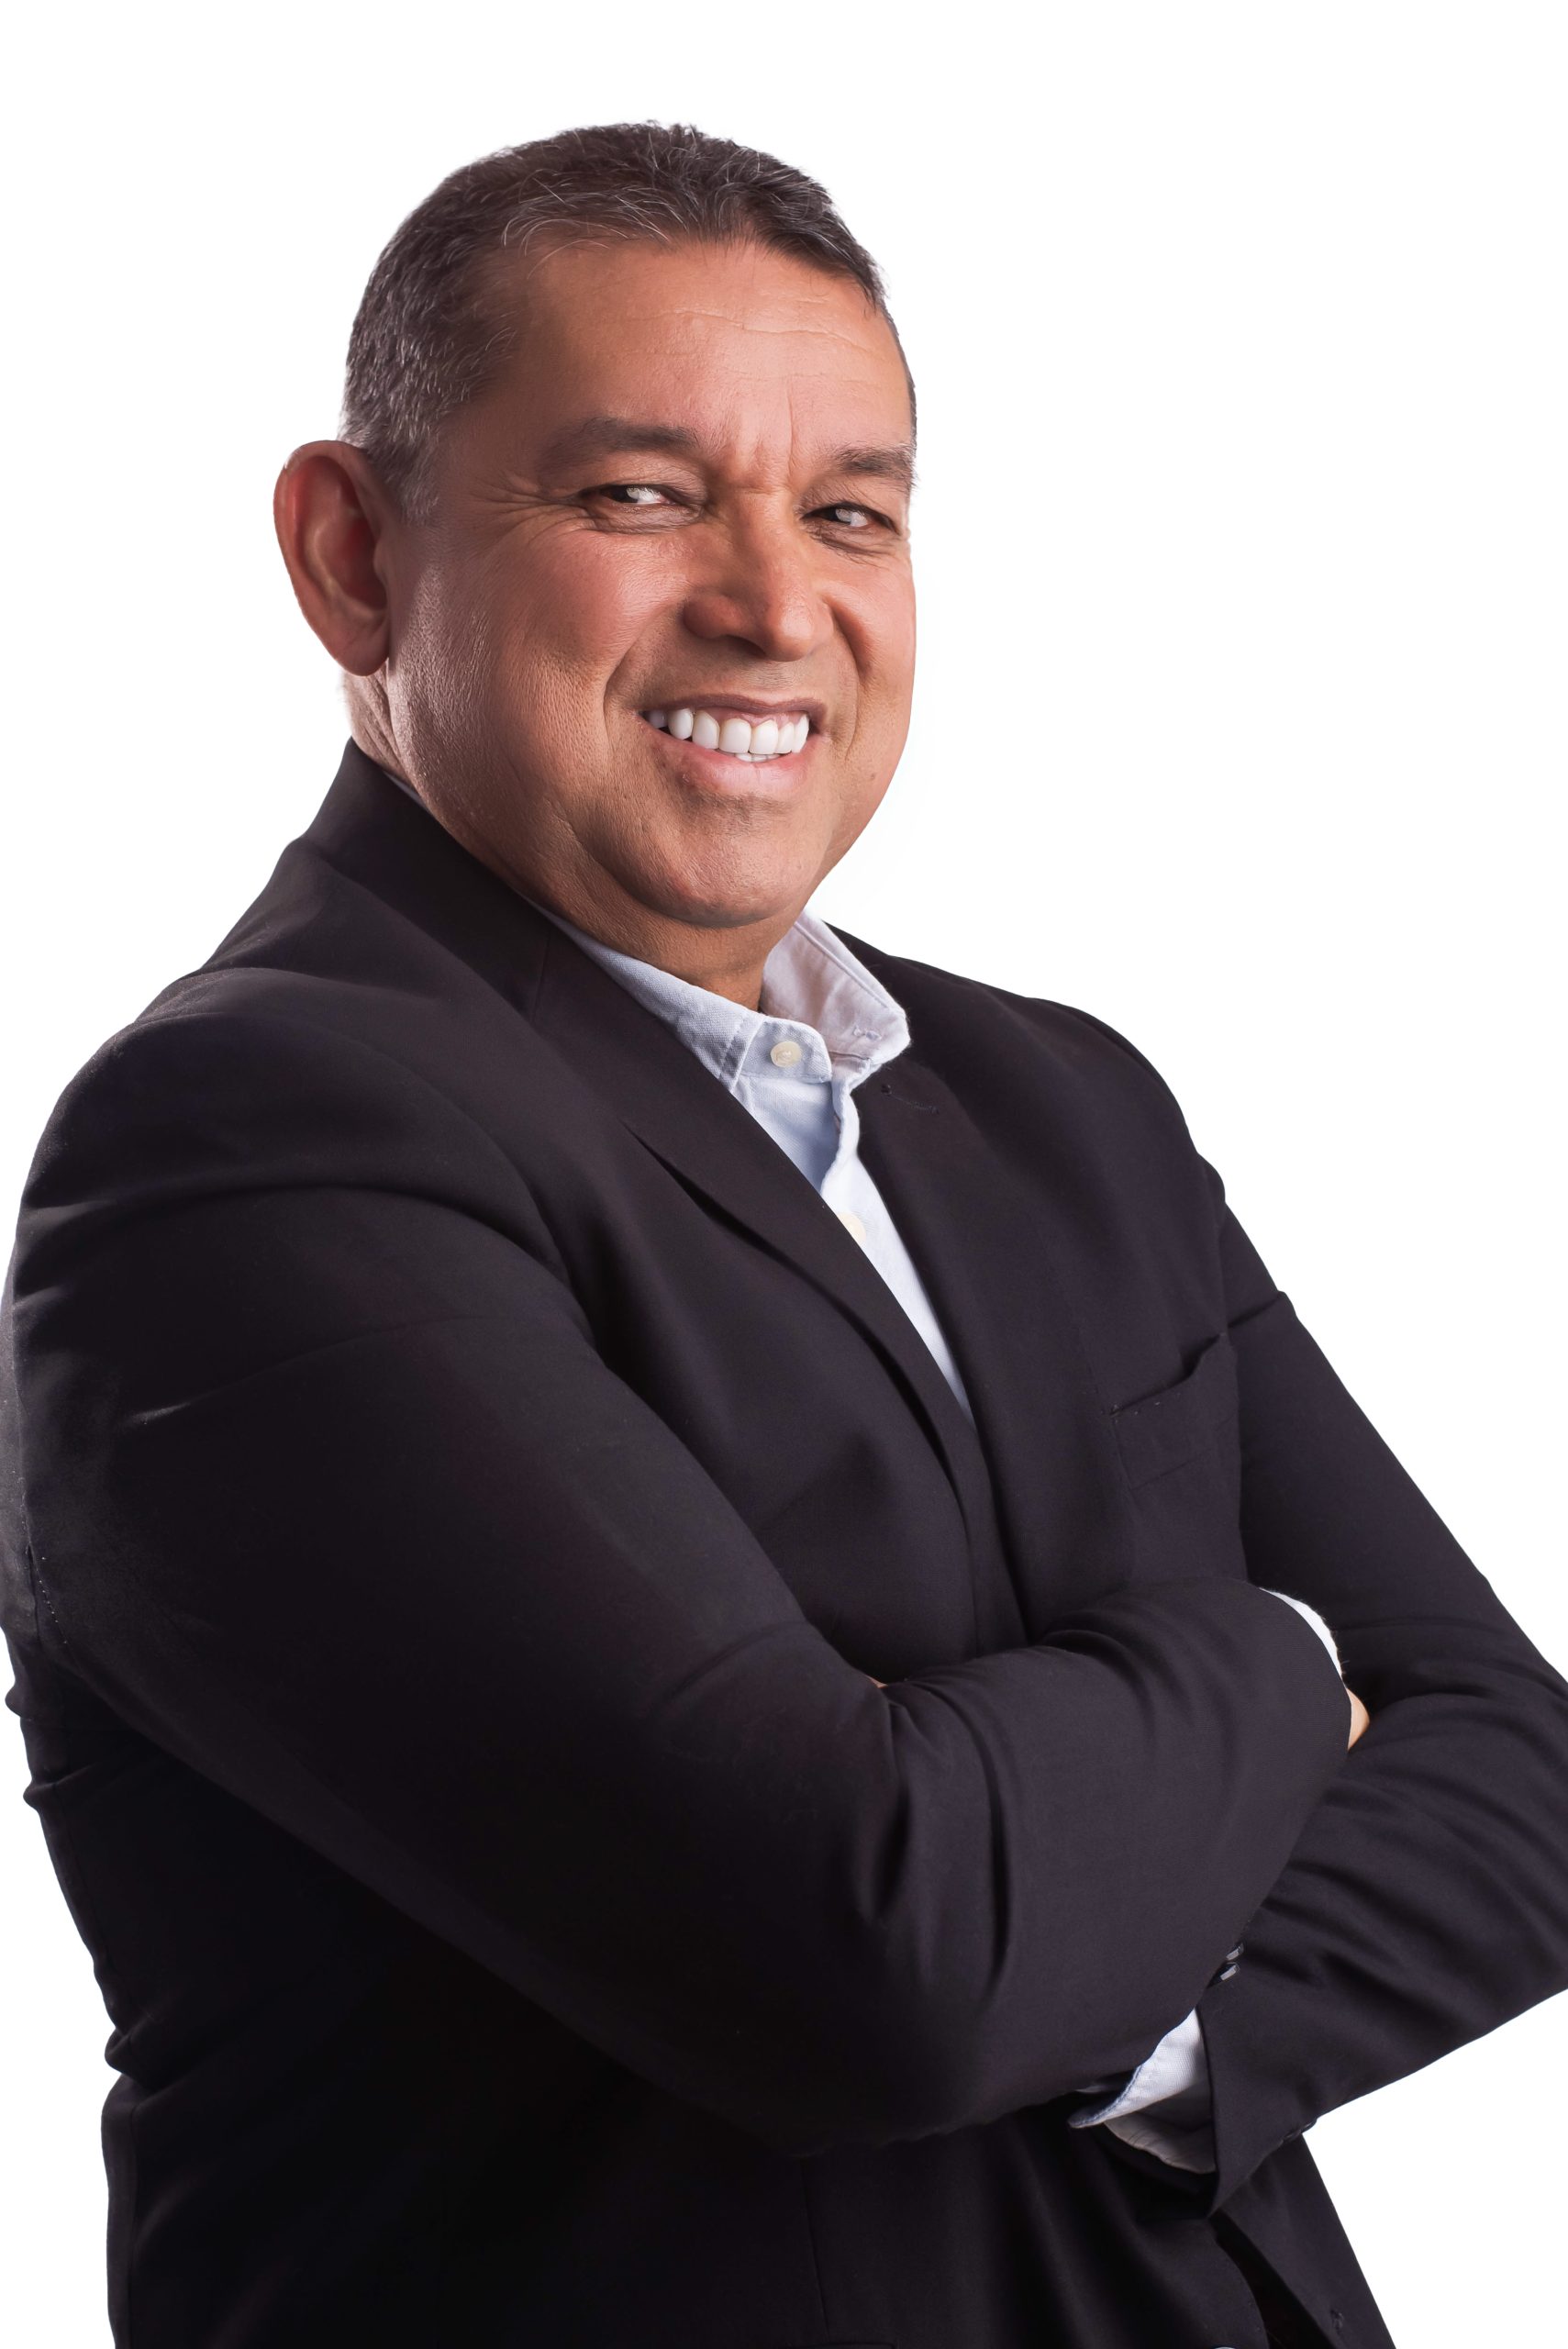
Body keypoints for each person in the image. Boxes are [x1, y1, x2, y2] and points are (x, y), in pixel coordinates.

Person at [2, 120, 1564, 2349]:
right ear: (354, 557)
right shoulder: (242, 1155)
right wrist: (1291, 1656)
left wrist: (1121, 1991)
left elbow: (1518, 1764)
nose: (772, 602)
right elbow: (875, 1952)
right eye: (642, 494)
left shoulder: (1062, 1102)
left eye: (849, 511)